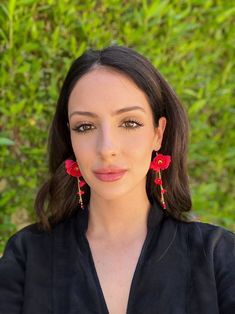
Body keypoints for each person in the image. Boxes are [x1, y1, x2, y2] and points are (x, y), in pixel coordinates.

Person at [0, 45, 234, 314]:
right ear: (70, 138)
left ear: (158, 133)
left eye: (129, 123)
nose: (106, 148)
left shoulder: (218, 257)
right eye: (85, 127)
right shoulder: (27, 258)